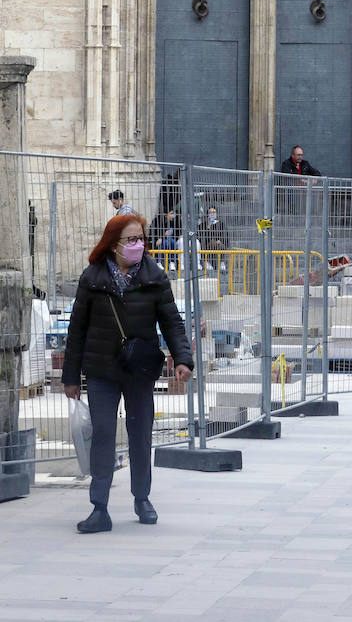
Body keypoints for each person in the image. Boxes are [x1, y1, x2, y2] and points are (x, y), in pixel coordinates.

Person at [62, 212, 193, 534]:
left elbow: (172, 321)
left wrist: (183, 359)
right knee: (103, 435)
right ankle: (99, 508)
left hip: (139, 369)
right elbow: (76, 329)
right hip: (101, 370)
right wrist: (70, 377)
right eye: (131, 239)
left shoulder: (154, 276)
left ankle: (142, 498)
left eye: (141, 239)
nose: (138, 245)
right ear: (113, 244)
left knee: (140, 433)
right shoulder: (92, 278)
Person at [198, 204, 229, 274]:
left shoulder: (221, 224)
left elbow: (225, 237)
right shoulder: (202, 226)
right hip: (206, 247)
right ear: (207, 215)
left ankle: (221, 262)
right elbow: (201, 238)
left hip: (218, 246)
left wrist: (219, 241)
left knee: (219, 244)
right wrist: (208, 226)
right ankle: (206, 261)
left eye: (214, 212)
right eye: (210, 212)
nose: (212, 214)